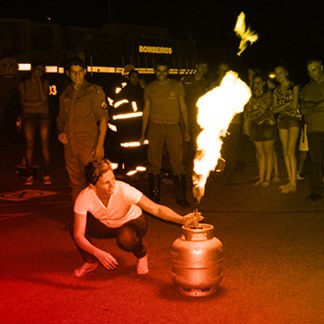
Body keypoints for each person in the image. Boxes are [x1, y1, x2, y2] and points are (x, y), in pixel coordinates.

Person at [71, 159, 203, 277]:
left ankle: (142, 254)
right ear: (93, 186)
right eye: (106, 183)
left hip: (132, 221)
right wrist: (97, 253)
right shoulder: (84, 197)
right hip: (106, 224)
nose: (113, 185)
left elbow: (156, 208)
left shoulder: (123, 189)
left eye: (113, 179)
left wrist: (181, 219)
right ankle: (90, 262)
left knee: (125, 239)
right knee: (74, 227)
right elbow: (78, 235)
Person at [139, 58, 191, 207]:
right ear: (155, 71)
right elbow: (146, 110)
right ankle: (154, 195)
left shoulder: (177, 86)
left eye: (164, 71)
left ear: (168, 71)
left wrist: (186, 128)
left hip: (173, 126)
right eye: (158, 71)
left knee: (178, 161)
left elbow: (183, 108)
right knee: (154, 161)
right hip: (155, 127)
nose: (161, 74)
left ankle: (181, 196)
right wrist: (143, 132)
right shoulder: (149, 88)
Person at [56, 57, 108, 201]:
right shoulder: (65, 94)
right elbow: (60, 121)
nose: (77, 75)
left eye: (79, 72)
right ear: (68, 73)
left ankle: (99, 215)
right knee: (75, 183)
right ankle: (80, 213)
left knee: (95, 181)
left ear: (85, 72)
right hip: (70, 146)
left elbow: (103, 120)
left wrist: (100, 145)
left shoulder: (94, 92)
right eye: (73, 72)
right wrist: (60, 133)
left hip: (88, 145)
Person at [18, 61, 52, 185]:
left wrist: (38, 83)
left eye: (43, 71)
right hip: (28, 117)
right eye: (38, 69)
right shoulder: (24, 84)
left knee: (44, 145)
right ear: (32, 69)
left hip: (43, 117)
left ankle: (47, 174)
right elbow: (23, 103)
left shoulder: (44, 83)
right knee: (29, 146)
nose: (40, 72)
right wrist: (37, 104)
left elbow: (44, 99)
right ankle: (29, 175)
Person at [272, 63, 301, 193]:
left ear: (286, 73)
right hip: (282, 120)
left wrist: (282, 107)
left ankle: (293, 183)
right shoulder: (276, 90)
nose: (278, 76)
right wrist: (287, 105)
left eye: (281, 73)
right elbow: (274, 109)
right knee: (285, 151)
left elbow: (295, 106)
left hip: (294, 119)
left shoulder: (294, 86)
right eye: (277, 74)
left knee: (290, 150)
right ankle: (290, 181)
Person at [244, 73, 277, 187]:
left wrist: (256, 104)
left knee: (268, 153)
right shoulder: (251, 96)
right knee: (260, 154)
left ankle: (267, 179)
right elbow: (248, 112)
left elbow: (264, 108)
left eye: (259, 82)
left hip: (267, 125)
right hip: (255, 126)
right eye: (255, 83)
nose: (256, 85)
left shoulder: (268, 94)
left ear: (263, 83)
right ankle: (261, 178)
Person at [300, 58, 324, 201]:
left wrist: (312, 107)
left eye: (314, 70)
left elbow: (308, 108)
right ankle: (316, 191)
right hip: (313, 130)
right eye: (309, 71)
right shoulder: (307, 88)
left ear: (321, 68)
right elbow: (303, 109)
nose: (312, 74)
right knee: (315, 161)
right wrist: (319, 105)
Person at [181, 60, 210, 175]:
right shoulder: (186, 80)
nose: (203, 70)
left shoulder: (206, 83)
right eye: (201, 66)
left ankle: (196, 171)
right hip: (184, 116)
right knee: (183, 145)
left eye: (205, 67)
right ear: (197, 66)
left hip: (198, 119)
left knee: (197, 145)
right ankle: (182, 170)